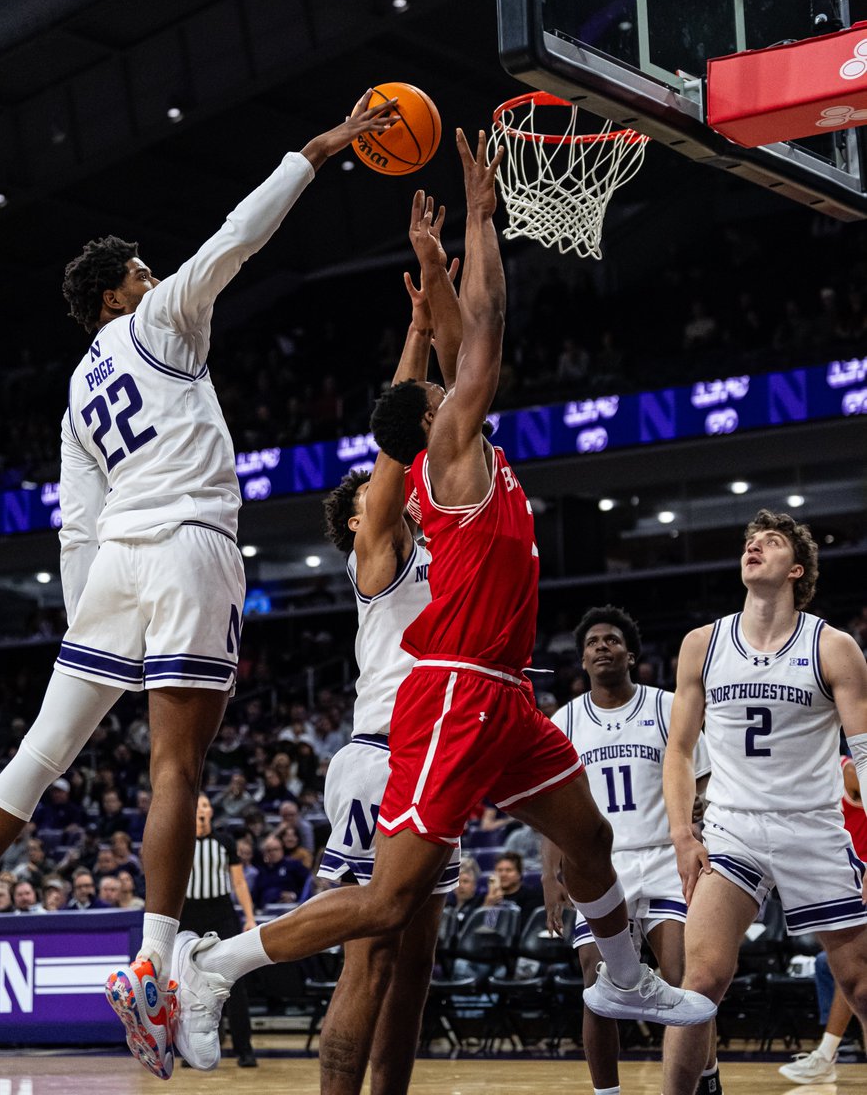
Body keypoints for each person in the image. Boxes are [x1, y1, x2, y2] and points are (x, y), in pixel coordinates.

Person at [169, 130, 715, 1072]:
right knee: (387, 911)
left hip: (505, 694)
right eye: (439, 393)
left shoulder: (473, 455)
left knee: (588, 837)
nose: (453, 388)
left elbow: (463, 349)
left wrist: (428, 280)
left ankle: (622, 973)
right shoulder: (449, 461)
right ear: (431, 425)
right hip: (451, 697)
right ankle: (216, 963)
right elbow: (487, 336)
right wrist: (479, 219)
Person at [0, 91, 400, 1081]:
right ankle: (159, 963)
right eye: (141, 269)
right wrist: (317, 151)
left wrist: (93, 627)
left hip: (112, 560)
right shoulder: (160, 315)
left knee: (39, 752)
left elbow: (73, 520)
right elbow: (233, 241)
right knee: (176, 772)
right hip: (188, 543)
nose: (155, 274)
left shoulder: (79, 385)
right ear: (122, 288)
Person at [304, 197, 461, 1095]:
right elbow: (398, 435)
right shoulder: (378, 551)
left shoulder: (434, 539)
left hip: (435, 756)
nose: (388, 482)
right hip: (382, 757)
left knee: (415, 964)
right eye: (376, 485)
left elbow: (415, 436)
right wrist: (415, 332)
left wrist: (425, 314)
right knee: (369, 958)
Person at [662, 510, 867, 1095]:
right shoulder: (702, 644)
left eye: (771, 542)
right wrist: (683, 834)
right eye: (749, 541)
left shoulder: (833, 646)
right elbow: (678, 753)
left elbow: (866, 753)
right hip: (733, 831)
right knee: (696, 985)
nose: (754, 546)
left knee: (860, 982)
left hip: (814, 830)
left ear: (796, 568)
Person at [544, 604, 719, 1095]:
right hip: (602, 865)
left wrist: (698, 818)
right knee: (597, 985)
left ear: (631, 653)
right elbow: (550, 806)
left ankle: (704, 1080)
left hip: (666, 856)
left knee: (683, 976)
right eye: (593, 642)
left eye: (612, 640)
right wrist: (549, 877)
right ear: (581, 659)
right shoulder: (565, 721)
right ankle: (608, 1093)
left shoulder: (666, 707)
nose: (602, 646)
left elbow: (700, 774)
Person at [778, 751, 867, 1084]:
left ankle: (825, 1056)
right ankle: (825, 1055)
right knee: (846, 970)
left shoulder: (847, 771)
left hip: (860, 880)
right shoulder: (804, 776)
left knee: (853, 970)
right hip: (844, 885)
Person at [179, 793, 258, 1068]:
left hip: (222, 913)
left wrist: (249, 917)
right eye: (196, 805)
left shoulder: (224, 841)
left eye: (204, 805)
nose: (200, 810)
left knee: (234, 982)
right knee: (190, 987)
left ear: (211, 811)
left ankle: (244, 1048)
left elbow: (239, 883)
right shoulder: (180, 839)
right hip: (189, 913)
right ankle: (195, 1049)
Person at [483, 851, 542, 927]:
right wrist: (487, 905)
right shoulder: (487, 897)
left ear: (519, 874)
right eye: (499, 870)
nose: (503, 874)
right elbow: (475, 928)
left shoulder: (533, 896)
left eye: (509, 870)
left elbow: (527, 926)